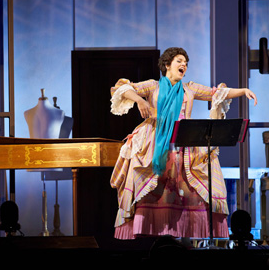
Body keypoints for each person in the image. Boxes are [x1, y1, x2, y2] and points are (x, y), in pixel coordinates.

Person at [109, 47, 257, 240]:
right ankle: (161, 239)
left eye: (185, 63)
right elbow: (122, 89)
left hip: (184, 142)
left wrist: (243, 90)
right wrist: (140, 101)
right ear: (167, 65)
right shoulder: (153, 86)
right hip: (156, 143)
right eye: (179, 61)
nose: (183, 65)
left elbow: (217, 93)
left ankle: (183, 239)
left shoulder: (190, 88)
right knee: (155, 190)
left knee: (190, 191)